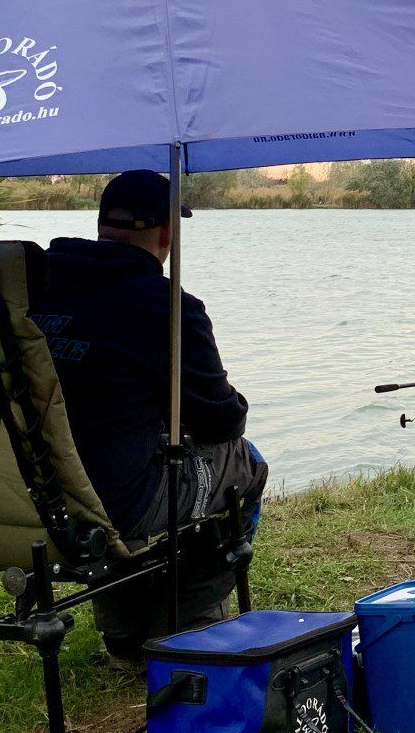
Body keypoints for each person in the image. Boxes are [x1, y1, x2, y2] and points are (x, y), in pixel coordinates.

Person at [31, 169, 267, 658]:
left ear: (100, 226)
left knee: (122, 451)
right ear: (167, 234)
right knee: (247, 463)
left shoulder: (34, 291)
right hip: (119, 502)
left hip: (34, 493)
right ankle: (190, 619)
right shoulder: (167, 307)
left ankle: (121, 623)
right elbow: (222, 422)